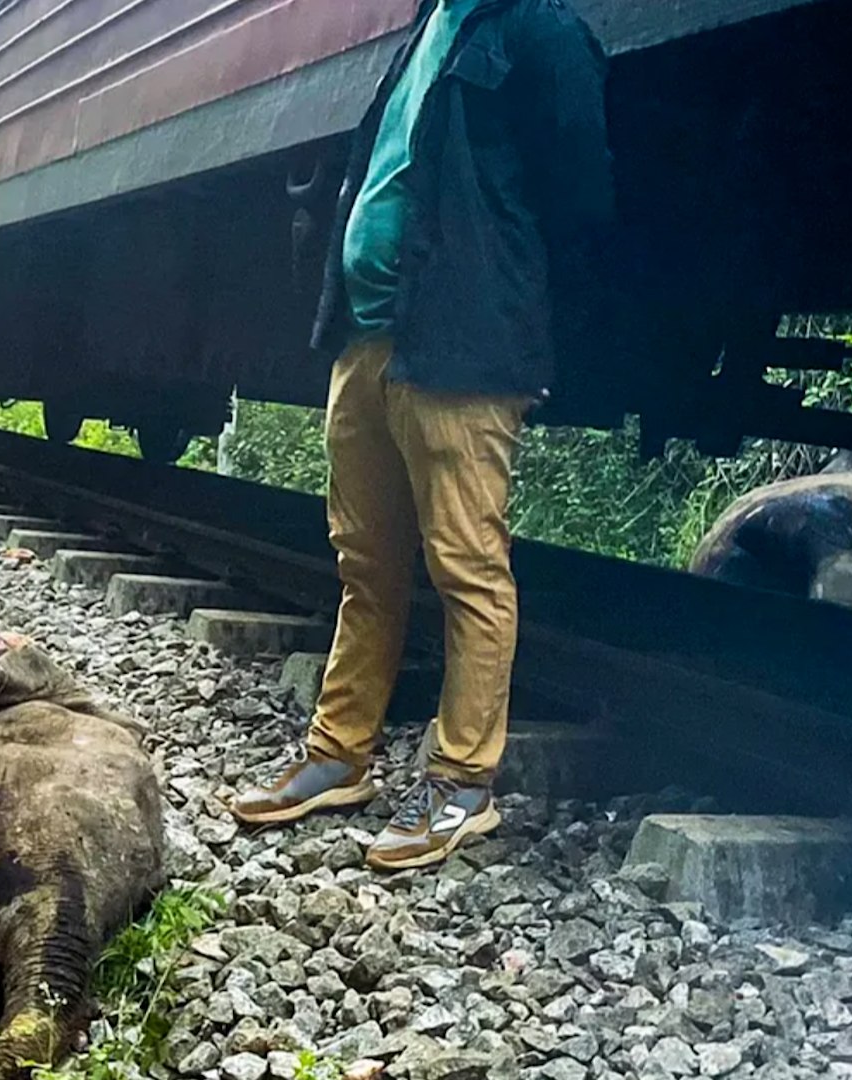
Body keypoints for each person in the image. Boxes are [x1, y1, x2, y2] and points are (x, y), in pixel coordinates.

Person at [230, 0, 615, 871]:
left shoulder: (542, 32)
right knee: (364, 563)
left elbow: (583, 201)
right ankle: (338, 755)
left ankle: (461, 786)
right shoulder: (432, 27)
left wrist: (528, 332)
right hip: (370, 339)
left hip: (463, 348)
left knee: (466, 567)